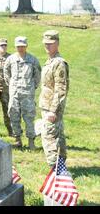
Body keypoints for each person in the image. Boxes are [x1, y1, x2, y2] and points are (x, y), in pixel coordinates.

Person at [4, 36, 41, 150]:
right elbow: (6, 72)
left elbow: (37, 75)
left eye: (22, 46)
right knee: (13, 114)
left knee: (29, 116)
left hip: (27, 94)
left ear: (26, 46)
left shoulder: (32, 60)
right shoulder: (10, 59)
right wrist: (11, 85)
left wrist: (31, 87)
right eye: (18, 46)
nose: (20, 48)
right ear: (15, 46)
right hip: (14, 93)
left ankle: (31, 140)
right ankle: (18, 139)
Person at [39, 30, 69, 167]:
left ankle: (54, 169)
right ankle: (60, 168)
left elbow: (60, 89)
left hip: (52, 107)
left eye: (50, 44)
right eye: (45, 44)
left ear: (57, 43)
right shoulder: (50, 61)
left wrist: (53, 110)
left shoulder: (59, 63)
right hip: (47, 105)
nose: (47, 46)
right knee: (58, 136)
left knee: (49, 137)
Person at [0, 38, 13, 136]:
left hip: (6, 88)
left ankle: (11, 131)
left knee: (8, 110)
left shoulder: (10, 57)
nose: (3, 47)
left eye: (5, 45)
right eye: (1, 45)